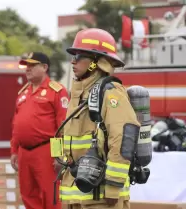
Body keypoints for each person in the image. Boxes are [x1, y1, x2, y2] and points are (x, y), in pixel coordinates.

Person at [59, 28, 139, 209]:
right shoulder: (78, 94)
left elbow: (123, 138)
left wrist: (113, 185)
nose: (73, 61)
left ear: (97, 62)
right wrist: (60, 159)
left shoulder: (111, 92)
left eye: (79, 56)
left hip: (102, 197)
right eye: (73, 55)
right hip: (77, 192)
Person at [10, 52, 69, 209]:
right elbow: (16, 125)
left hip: (45, 150)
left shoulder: (56, 91)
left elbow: (62, 126)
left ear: (44, 67)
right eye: (26, 65)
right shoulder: (22, 93)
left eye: (32, 65)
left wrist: (58, 155)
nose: (27, 69)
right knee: (28, 196)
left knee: (51, 197)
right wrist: (14, 151)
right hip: (24, 153)